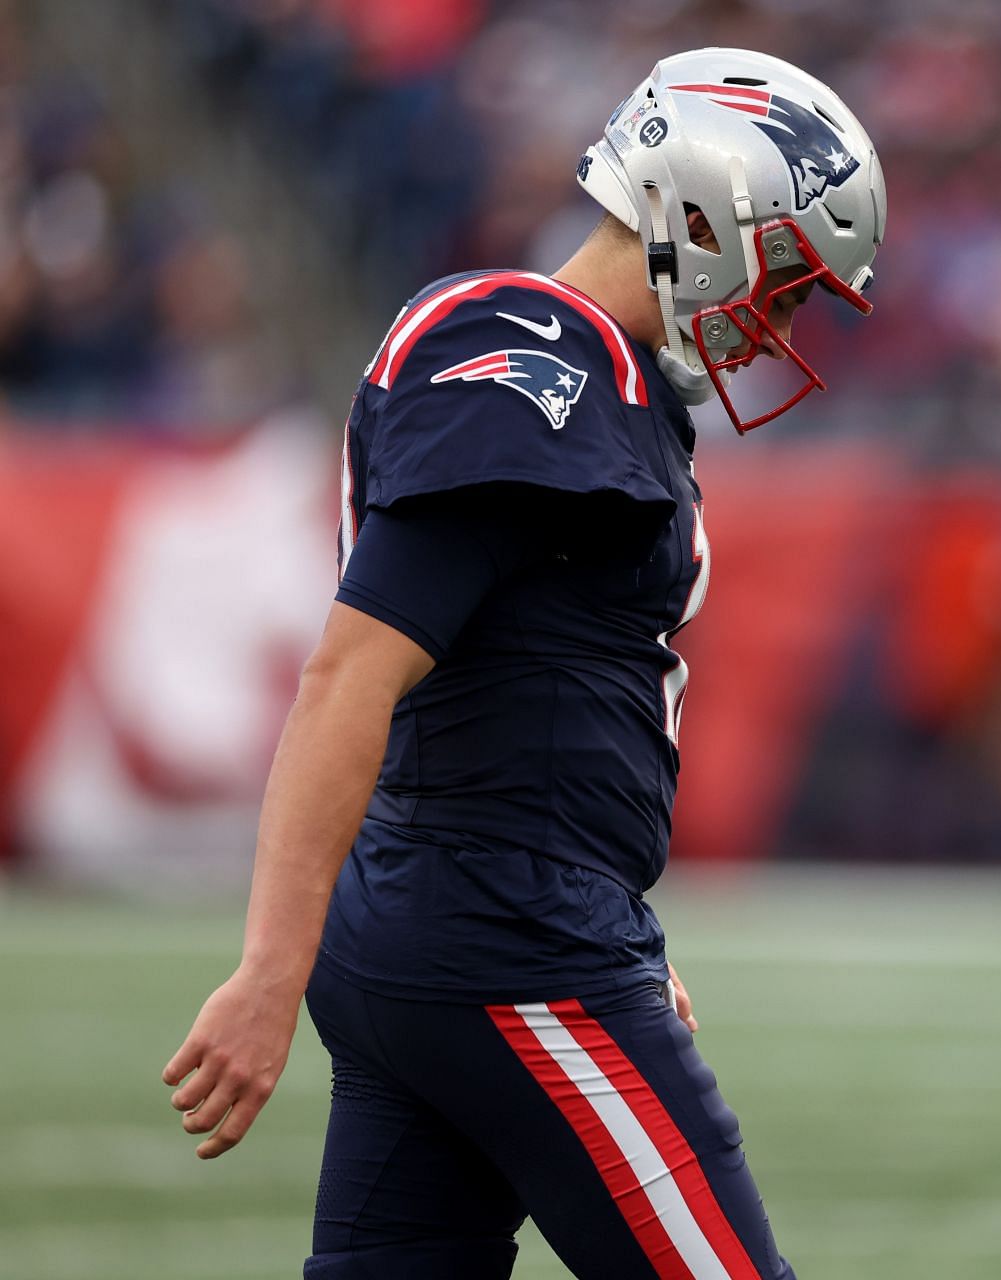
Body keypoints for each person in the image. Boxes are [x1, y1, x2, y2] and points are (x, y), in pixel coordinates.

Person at [159, 48, 885, 1280]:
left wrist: (627, 926)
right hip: (509, 938)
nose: (783, 322)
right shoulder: (535, 355)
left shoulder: (610, 384)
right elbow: (350, 675)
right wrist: (267, 967)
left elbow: (535, 702)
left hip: (462, 924)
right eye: (790, 278)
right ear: (704, 215)